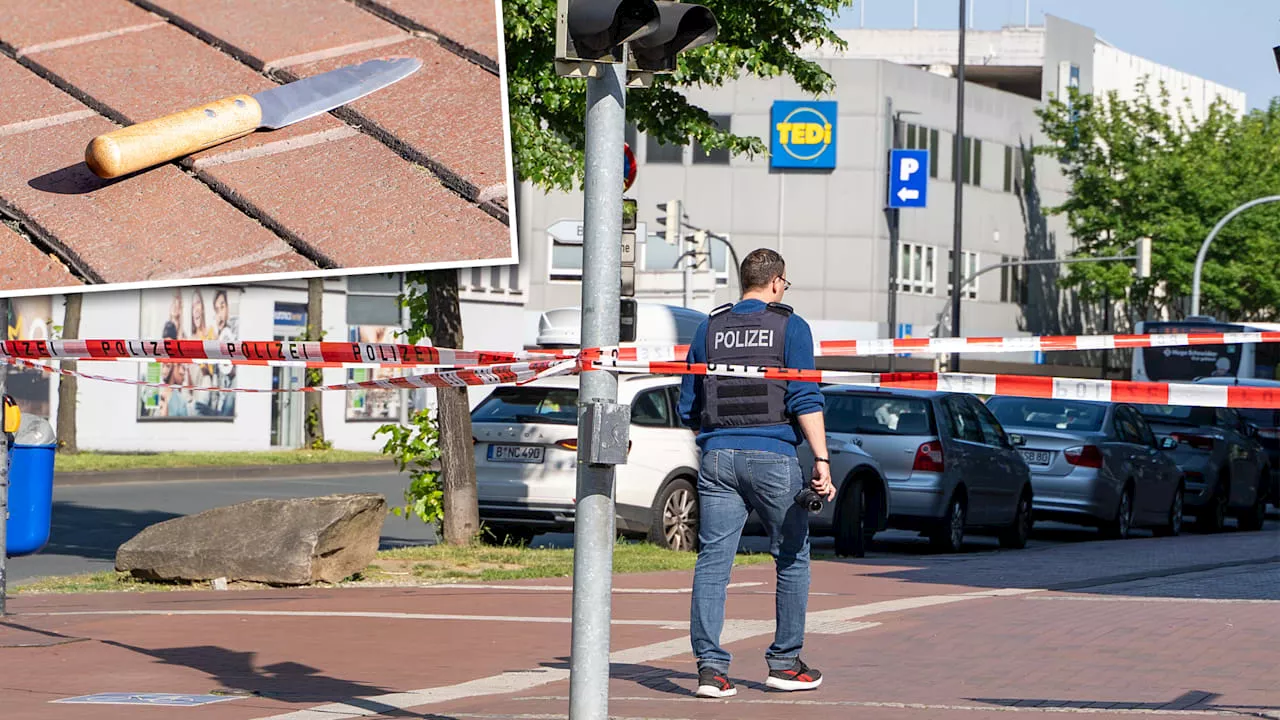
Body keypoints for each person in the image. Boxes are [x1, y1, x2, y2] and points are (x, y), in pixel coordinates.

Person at [677, 248, 835, 699]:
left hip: (716, 458)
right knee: (791, 557)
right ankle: (785, 664)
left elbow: (689, 403)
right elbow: (805, 398)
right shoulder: (791, 326)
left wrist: (712, 440)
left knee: (712, 564)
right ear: (777, 282)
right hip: (772, 457)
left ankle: (710, 670)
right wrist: (821, 462)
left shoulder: (709, 328)